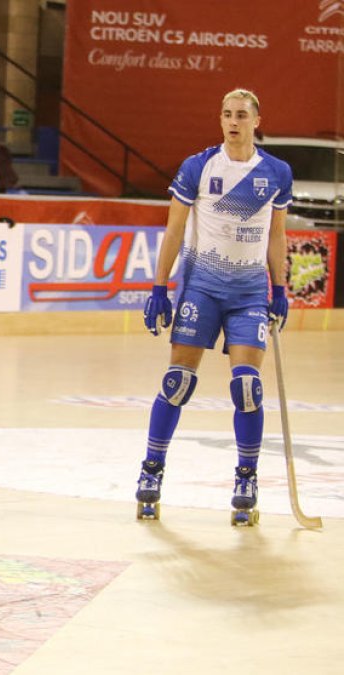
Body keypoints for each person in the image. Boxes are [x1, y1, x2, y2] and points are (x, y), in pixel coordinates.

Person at [135, 88, 292, 524]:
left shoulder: (276, 172)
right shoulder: (199, 166)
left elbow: (277, 235)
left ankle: (247, 478)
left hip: (248, 295)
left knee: (247, 386)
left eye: (241, 114)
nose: (233, 121)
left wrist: (279, 289)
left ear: (257, 120)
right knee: (177, 383)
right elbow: (173, 230)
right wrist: (159, 287)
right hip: (201, 289)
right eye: (226, 114)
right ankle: (151, 471)